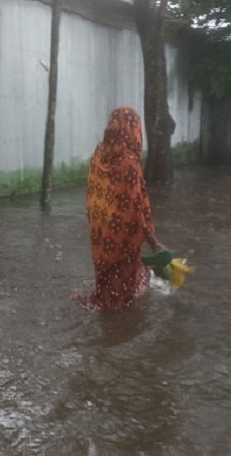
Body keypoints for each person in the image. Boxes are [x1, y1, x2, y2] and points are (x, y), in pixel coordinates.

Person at [73, 107, 166, 312]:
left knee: (106, 277)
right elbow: (137, 208)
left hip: (101, 232)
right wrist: (155, 243)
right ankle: (117, 314)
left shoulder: (99, 153)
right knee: (124, 292)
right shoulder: (129, 163)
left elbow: (93, 194)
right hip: (122, 236)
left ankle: (105, 304)